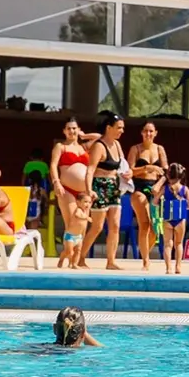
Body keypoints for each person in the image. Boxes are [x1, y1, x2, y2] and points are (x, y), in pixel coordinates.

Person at [81, 112, 130, 271]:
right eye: (119, 128)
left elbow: (123, 166)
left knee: (115, 225)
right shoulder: (98, 146)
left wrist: (128, 174)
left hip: (114, 186)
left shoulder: (117, 145)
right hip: (99, 186)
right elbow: (90, 170)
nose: (122, 131)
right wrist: (89, 191)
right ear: (109, 128)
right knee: (97, 226)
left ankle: (111, 261)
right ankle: (80, 257)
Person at [51, 118, 93, 269]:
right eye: (68, 129)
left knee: (82, 225)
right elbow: (53, 165)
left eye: (74, 128)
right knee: (72, 223)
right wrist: (56, 182)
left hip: (83, 192)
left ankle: (74, 260)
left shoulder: (84, 147)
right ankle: (68, 256)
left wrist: (85, 135)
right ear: (64, 131)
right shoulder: (60, 147)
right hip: (66, 189)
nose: (72, 131)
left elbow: (101, 138)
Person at [127, 122, 168, 271]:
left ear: (155, 133)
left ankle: (145, 252)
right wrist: (147, 168)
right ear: (141, 132)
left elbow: (166, 171)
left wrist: (159, 185)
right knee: (144, 224)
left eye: (151, 131)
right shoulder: (136, 149)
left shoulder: (159, 149)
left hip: (155, 188)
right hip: (139, 187)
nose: (148, 134)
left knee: (155, 229)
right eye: (146, 131)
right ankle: (145, 261)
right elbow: (129, 171)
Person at [159, 163, 189, 275]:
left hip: (167, 219)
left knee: (167, 244)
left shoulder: (165, 189)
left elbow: (155, 201)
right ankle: (178, 267)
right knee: (178, 243)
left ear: (168, 176)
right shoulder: (185, 189)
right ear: (181, 176)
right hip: (180, 219)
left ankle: (168, 268)